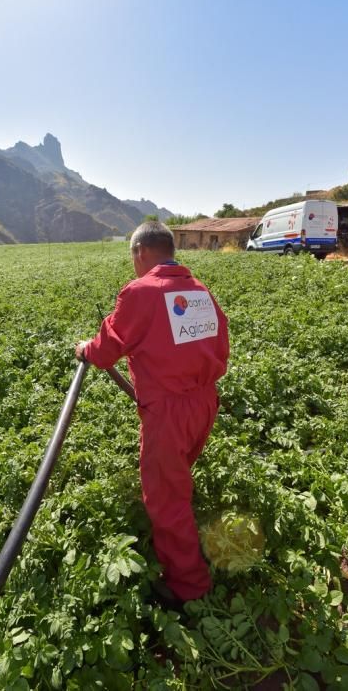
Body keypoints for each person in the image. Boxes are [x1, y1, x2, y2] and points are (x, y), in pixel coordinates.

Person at [75, 221, 229, 603]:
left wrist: (84, 349)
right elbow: (221, 342)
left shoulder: (140, 292)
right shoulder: (199, 291)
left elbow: (106, 348)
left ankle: (189, 588)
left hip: (169, 414)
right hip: (205, 402)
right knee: (177, 478)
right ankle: (184, 533)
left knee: (166, 499)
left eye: (132, 258)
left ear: (140, 252)